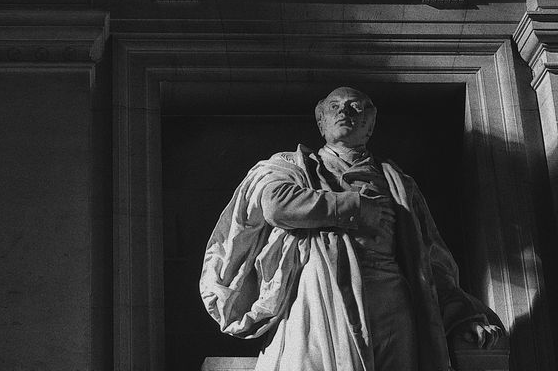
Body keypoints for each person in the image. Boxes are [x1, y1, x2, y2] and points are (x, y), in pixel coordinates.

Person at [200, 86, 504, 371]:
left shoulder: (397, 182)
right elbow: (276, 204)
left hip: (390, 302)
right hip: (319, 295)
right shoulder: (291, 165)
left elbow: (430, 259)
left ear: (370, 124)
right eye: (334, 107)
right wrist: (355, 207)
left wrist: (464, 316)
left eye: (355, 107)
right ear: (321, 122)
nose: (344, 111)